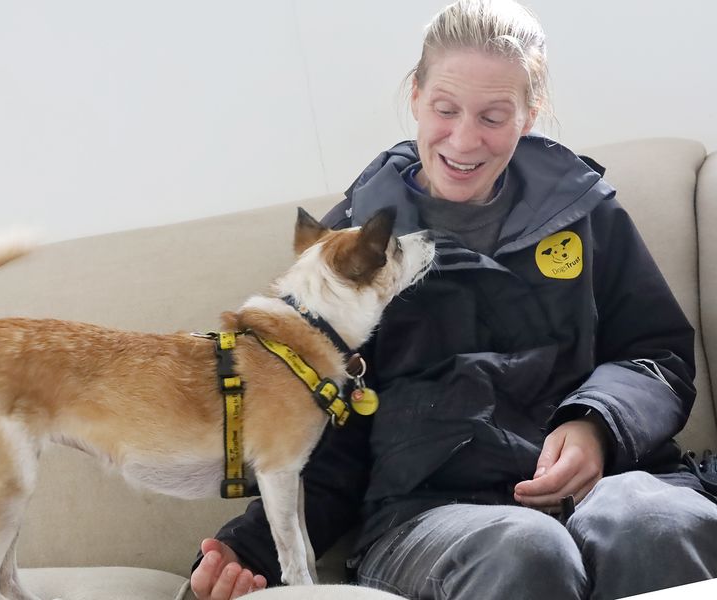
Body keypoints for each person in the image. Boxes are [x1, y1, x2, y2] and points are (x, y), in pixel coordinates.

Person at [190, 1, 717, 598]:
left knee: (660, 524)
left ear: (528, 114)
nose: (465, 140)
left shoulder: (588, 212)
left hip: (613, 483)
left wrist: (596, 424)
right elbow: (320, 432)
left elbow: (658, 357)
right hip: (432, 516)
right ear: (415, 96)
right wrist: (251, 548)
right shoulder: (350, 250)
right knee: (525, 551)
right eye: (445, 109)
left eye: (494, 116)